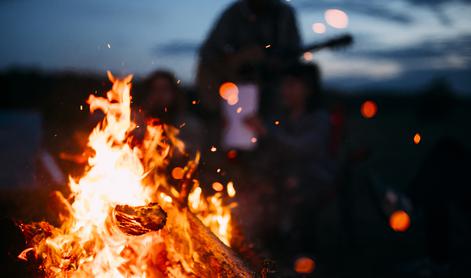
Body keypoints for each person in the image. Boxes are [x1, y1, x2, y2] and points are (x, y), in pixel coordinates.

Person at [245, 63, 337, 260]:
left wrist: (266, 132)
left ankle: (302, 255)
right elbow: (271, 152)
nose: (284, 91)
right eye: (283, 85)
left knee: (296, 195)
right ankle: (268, 249)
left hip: (313, 179)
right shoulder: (282, 118)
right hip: (284, 178)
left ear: (308, 89)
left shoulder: (319, 119)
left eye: (291, 85)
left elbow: (301, 149)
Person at [196, 0, 301, 114]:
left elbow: (293, 52)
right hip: (236, 87)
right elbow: (208, 51)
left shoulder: (284, 13)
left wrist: (273, 61)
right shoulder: (234, 13)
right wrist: (239, 58)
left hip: (274, 83)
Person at [141, 70, 203, 154]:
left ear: (174, 93)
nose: (159, 95)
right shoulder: (136, 125)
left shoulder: (189, 126)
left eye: (164, 89)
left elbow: (194, 157)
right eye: (155, 89)